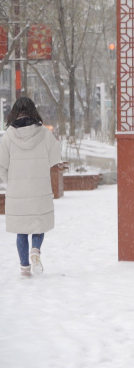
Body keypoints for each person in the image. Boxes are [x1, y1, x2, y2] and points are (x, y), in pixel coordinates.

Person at [0, 97, 62, 277]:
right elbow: (55, 156)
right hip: (39, 187)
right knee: (38, 223)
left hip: (17, 190)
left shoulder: (9, 136)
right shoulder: (44, 133)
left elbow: (2, 163)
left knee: (21, 230)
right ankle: (35, 249)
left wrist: (9, 180)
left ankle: (25, 268)